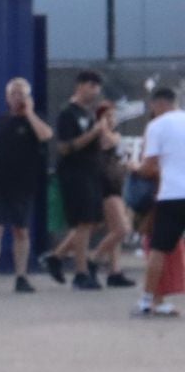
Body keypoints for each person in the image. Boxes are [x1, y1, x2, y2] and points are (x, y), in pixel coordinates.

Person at [0, 77, 54, 295]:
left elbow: (46, 135)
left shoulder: (34, 120)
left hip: (23, 184)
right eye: (13, 94)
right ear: (7, 97)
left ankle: (21, 276)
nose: (17, 97)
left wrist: (29, 113)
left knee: (20, 230)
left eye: (21, 93)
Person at [47, 70, 109, 289]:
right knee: (83, 222)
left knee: (92, 222)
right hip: (75, 174)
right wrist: (93, 134)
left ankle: (56, 257)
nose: (95, 91)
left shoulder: (89, 113)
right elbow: (64, 147)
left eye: (97, 86)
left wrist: (104, 135)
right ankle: (81, 272)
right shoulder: (68, 114)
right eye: (91, 85)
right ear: (80, 86)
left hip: (92, 172)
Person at [135, 88, 185, 317]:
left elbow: (148, 167)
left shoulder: (156, 126)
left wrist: (132, 167)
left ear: (157, 103)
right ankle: (158, 300)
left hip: (172, 194)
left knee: (159, 249)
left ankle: (147, 301)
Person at [81, 101, 136, 288]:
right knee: (122, 229)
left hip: (117, 183)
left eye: (113, 116)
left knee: (115, 230)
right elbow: (108, 142)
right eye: (107, 116)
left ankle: (115, 271)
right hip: (104, 186)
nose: (111, 120)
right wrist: (101, 126)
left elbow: (120, 149)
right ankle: (93, 259)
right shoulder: (98, 136)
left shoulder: (115, 134)